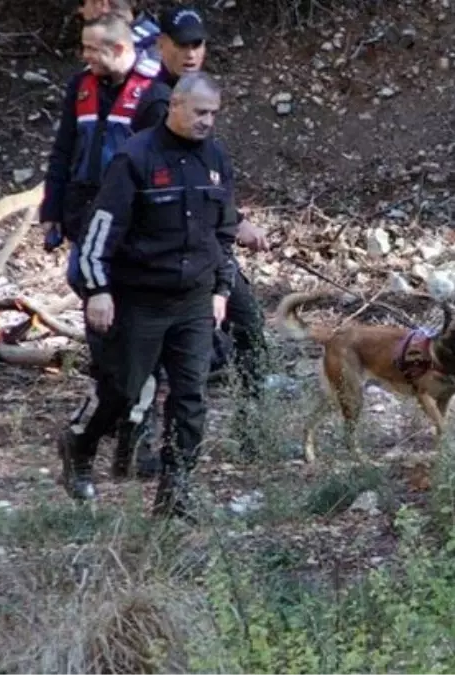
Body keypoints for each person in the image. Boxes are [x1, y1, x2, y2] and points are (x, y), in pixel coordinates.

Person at [57, 71, 239, 522]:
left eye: (213, 114)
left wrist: (221, 289)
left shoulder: (215, 157)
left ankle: (174, 497)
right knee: (123, 388)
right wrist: (98, 289)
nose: (206, 122)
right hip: (138, 295)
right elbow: (101, 228)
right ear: (175, 106)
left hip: (195, 297)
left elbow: (224, 231)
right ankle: (79, 443)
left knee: (191, 396)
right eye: (200, 112)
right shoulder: (135, 156)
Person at [132, 6, 272, 458]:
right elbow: (174, 180)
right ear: (161, 45)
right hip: (171, 250)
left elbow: (208, 175)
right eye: (182, 43)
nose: (192, 52)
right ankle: (138, 445)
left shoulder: (194, 96)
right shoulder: (159, 102)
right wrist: (231, 222)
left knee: (246, 329)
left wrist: (233, 218)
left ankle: (253, 432)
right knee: (157, 354)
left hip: (206, 240)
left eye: (198, 44)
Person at [39, 14, 167, 481]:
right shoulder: (81, 87)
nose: (85, 57)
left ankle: (131, 444)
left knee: (147, 350)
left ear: (117, 49)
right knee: (111, 347)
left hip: (134, 231)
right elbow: (63, 149)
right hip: (84, 222)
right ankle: (94, 439)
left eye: (92, 49)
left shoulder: (155, 94)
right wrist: (51, 210)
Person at [79, 0, 160, 58]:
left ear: (102, 3)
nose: (80, 10)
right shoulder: (156, 36)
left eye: (83, 3)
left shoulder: (134, 49)